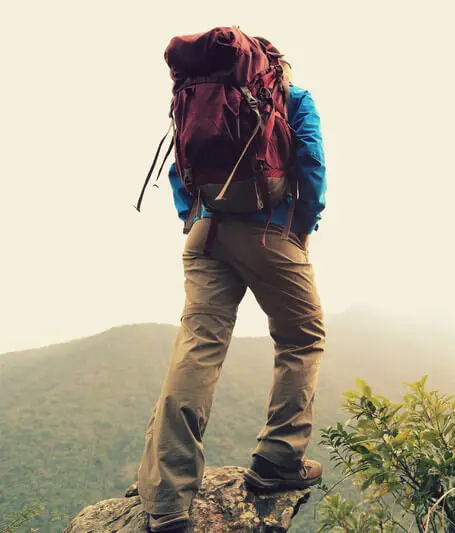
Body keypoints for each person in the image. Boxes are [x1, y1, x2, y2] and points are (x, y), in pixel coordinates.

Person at [136, 38, 327, 532]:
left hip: (205, 231)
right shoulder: (293, 96)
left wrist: (192, 217)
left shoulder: (193, 99)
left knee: (197, 349)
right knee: (301, 338)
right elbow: (311, 162)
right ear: (269, 65)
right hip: (269, 229)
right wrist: (302, 225)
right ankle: (278, 459)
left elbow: (183, 166)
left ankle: (167, 500)